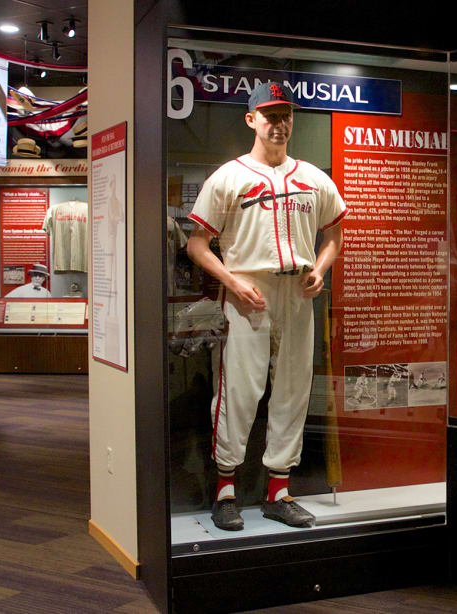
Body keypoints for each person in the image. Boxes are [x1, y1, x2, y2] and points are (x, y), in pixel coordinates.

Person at [186, 82, 346, 531]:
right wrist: (232, 282)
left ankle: (279, 491)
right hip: (247, 290)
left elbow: (334, 234)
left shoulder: (313, 178)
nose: (278, 123)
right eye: (269, 115)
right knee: (238, 390)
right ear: (251, 119)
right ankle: (225, 491)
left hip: (297, 291)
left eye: (285, 115)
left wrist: (320, 268)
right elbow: (198, 244)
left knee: (294, 389)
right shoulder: (229, 176)